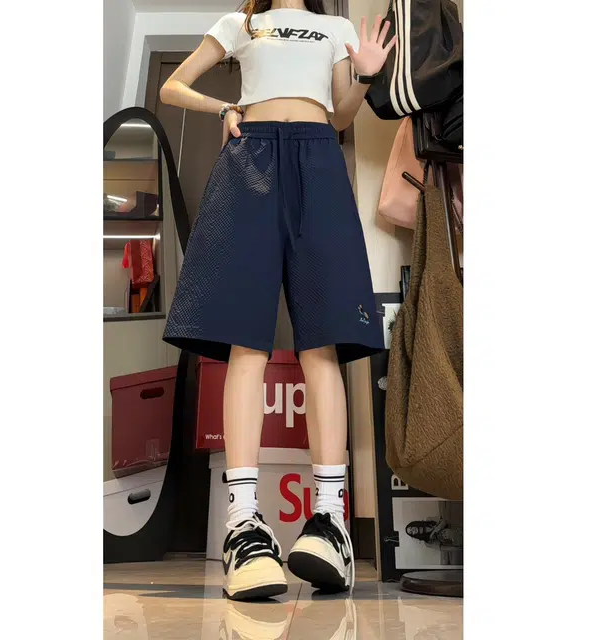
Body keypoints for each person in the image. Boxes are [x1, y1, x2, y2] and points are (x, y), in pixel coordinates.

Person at [161, 0, 395, 601]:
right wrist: (224, 108)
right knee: (247, 346)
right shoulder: (240, 25)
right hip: (251, 160)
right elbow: (172, 86)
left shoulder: (335, 28)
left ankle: (330, 522)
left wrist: (366, 75)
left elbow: (342, 115)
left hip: (319, 159)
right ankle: (243, 524)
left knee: (323, 346)